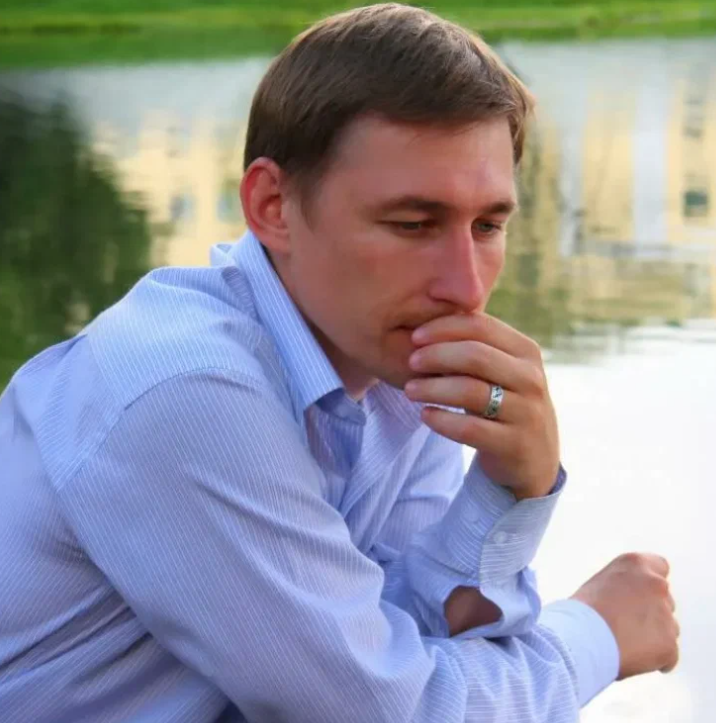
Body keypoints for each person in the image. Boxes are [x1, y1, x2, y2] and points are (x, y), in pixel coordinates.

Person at [0, 4, 679, 722]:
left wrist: (513, 484)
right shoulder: (188, 389)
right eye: (413, 224)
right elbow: (388, 708)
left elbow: (406, 637)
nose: (465, 286)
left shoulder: (394, 367)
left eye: (487, 225)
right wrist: (596, 638)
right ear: (272, 206)